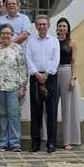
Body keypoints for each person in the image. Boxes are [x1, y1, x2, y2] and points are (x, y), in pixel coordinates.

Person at [26, 15, 60, 153]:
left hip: (50, 77)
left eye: (44, 24)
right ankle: (35, 143)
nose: (41, 26)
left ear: (48, 26)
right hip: (35, 78)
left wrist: (46, 74)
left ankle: (51, 143)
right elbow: (28, 58)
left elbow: (55, 59)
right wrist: (36, 73)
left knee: (51, 111)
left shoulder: (54, 41)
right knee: (36, 112)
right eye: (39, 24)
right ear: (35, 26)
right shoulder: (30, 41)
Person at [0, 23, 27, 152]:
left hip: (14, 86)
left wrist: (23, 87)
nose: (5, 35)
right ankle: (3, 143)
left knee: (14, 115)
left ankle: (15, 143)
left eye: (8, 33)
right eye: (3, 33)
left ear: (12, 35)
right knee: (3, 115)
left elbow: (23, 68)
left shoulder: (17, 48)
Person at [55, 17, 82, 150]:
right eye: (60, 26)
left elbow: (74, 61)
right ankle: (49, 138)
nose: (62, 28)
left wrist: (73, 78)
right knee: (51, 107)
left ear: (68, 29)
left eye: (64, 26)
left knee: (68, 108)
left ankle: (68, 140)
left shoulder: (72, 43)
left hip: (66, 72)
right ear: (57, 28)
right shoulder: (53, 41)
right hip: (53, 73)